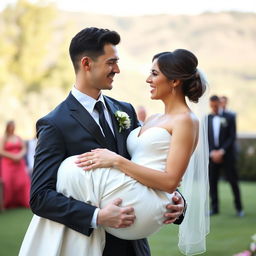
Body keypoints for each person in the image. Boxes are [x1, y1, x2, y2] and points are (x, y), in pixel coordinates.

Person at [19, 28, 188, 256]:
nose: (117, 70)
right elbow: (40, 197)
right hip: (89, 246)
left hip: (135, 246)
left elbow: (147, 162)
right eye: (111, 62)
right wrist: (97, 216)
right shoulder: (54, 124)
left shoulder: (125, 110)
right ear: (87, 64)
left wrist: (177, 202)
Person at [208, 95, 243, 216]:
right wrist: (212, 152)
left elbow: (232, 136)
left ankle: (239, 208)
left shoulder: (230, 117)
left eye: (216, 105)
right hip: (212, 156)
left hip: (227, 155)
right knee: (212, 182)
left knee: (233, 181)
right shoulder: (207, 118)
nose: (214, 108)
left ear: (220, 103)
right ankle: (214, 208)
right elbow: (207, 138)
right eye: (212, 106)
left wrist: (222, 151)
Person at [0, 120, 30, 208]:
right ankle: (9, 203)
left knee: (22, 182)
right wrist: (13, 156)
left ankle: (25, 201)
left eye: (13, 126)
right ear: (8, 127)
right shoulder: (3, 138)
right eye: (11, 126)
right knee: (9, 182)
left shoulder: (18, 137)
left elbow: (24, 148)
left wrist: (19, 155)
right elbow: (1, 151)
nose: (12, 128)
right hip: (8, 164)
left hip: (19, 163)